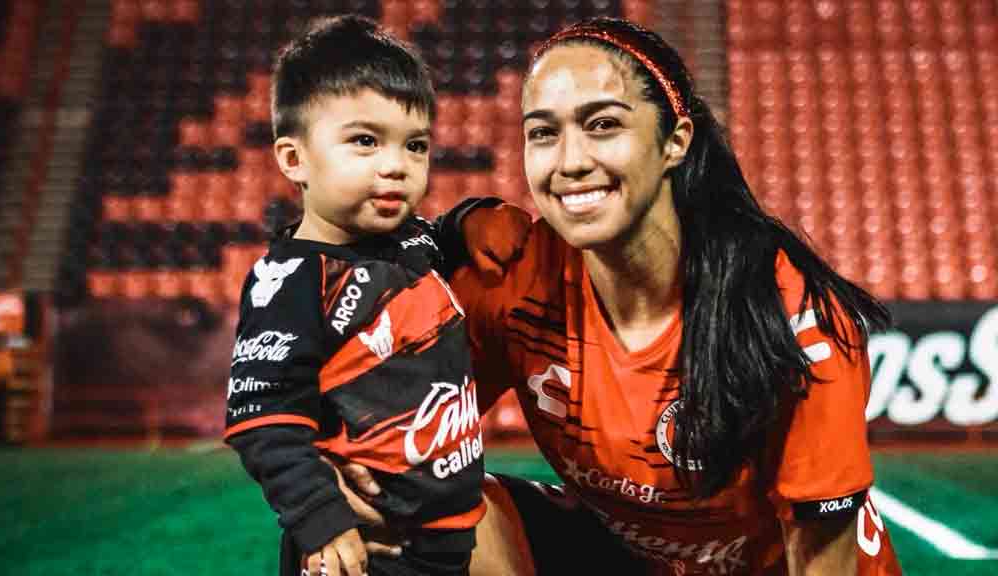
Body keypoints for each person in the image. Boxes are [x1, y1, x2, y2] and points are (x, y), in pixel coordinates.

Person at [341, 16, 904, 575]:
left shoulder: (790, 321)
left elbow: (824, 560)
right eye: (543, 132)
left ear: (675, 141)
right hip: (636, 560)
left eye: (603, 125)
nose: (571, 162)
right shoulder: (516, 280)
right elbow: (388, 435)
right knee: (383, 515)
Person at [223, 15, 528, 576]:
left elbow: (441, 233)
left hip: (448, 544)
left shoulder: (409, 240)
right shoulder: (290, 282)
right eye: (365, 141)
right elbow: (261, 416)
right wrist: (321, 517)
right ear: (294, 159)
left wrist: (476, 219)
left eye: (415, 145)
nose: (396, 165)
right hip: (370, 550)